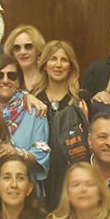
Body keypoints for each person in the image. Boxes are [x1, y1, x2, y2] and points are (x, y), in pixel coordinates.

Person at [33, 40, 90, 208]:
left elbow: (90, 141)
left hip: (70, 175)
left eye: (64, 60)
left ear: (71, 67)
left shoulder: (82, 99)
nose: (58, 65)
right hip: (41, 174)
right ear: (44, 65)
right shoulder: (33, 98)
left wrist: (85, 122)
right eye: (53, 59)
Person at [0, 55, 50, 187]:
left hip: (23, 187)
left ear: (19, 81)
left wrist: (17, 153)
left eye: (12, 76)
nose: (5, 80)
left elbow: (42, 154)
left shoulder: (35, 110)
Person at [4, 25, 47, 92]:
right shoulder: (5, 79)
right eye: (17, 48)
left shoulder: (48, 78)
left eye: (28, 46)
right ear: (12, 52)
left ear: (38, 50)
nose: (22, 52)